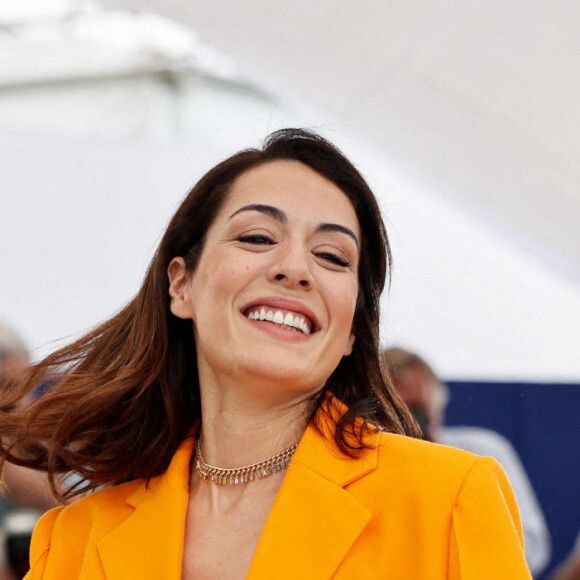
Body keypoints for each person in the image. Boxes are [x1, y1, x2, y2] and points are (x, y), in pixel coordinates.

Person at [0, 129, 531, 579]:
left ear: (350, 331)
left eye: (331, 255)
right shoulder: (72, 541)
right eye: (257, 237)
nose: (295, 268)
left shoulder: (449, 498)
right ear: (181, 285)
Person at [383, 346, 551, 576]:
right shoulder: (363, 466)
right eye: (395, 411)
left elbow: (530, 546)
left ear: (439, 405)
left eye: (417, 410)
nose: (409, 423)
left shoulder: (481, 453)